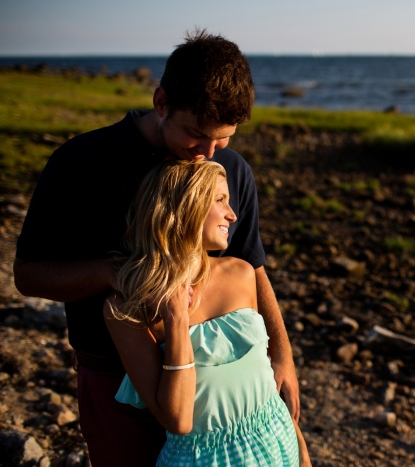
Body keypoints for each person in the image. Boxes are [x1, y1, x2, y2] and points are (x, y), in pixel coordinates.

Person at [13, 30, 299, 466]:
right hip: (114, 377)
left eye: (222, 140)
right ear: (161, 102)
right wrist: (115, 273)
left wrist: (281, 354)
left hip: (220, 389)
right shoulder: (82, 163)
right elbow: (28, 275)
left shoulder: (231, 170)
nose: (207, 154)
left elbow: (252, 266)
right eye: (195, 135)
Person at [104, 160, 311, 466]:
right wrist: (176, 318)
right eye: (220, 200)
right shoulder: (126, 310)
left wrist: (302, 452)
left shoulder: (240, 273)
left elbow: (264, 378)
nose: (233, 214)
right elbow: (178, 420)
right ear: (185, 207)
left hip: (278, 441)